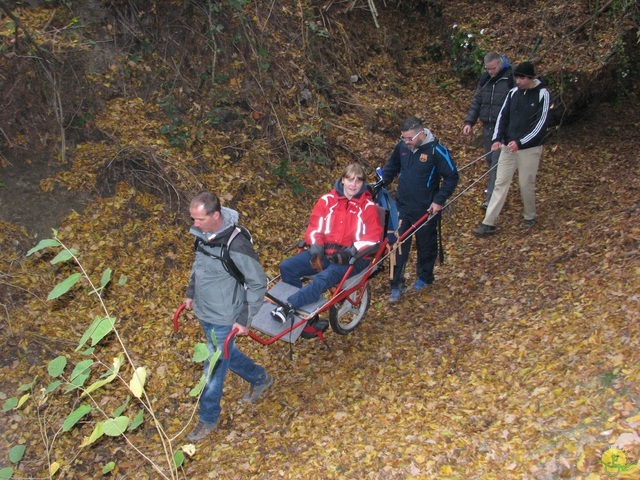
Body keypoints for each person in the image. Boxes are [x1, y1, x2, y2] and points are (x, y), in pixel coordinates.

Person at [183, 191, 273, 442]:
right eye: (193, 218)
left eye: (199, 219)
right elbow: (198, 267)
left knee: (212, 369)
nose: (194, 224)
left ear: (215, 215)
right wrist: (191, 293)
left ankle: (207, 418)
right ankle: (260, 378)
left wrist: (244, 319)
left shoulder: (236, 244)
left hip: (225, 316)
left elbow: (257, 283)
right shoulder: (201, 236)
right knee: (225, 354)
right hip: (205, 311)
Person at [271, 164, 383, 324]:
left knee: (323, 278)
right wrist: (316, 248)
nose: (353, 185)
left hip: (354, 258)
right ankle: (305, 316)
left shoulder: (368, 207)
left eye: (358, 181)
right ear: (343, 180)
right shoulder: (327, 201)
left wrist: (350, 253)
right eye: (350, 179)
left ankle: (290, 306)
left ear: (363, 184)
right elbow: (315, 228)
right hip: (327, 252)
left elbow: (373, 238)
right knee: (287, 266)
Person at [381, 116, 459, 303]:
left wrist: (439, 200)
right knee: (397, 246)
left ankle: (424, 278)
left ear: (421, 134)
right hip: (402, 206)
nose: (406, 142)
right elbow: (391, 167)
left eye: (409, 138)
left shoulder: (436, 151)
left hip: (426, 209)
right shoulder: (402, 148)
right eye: (403, 138)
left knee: (426, 245)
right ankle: (396, 284)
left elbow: (452, 177)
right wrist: (381, 182)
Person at [472, 61, 552, 235]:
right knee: (500, 183)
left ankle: (529, 215)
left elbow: (541, 124)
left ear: (530, 78)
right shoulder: (512, 94)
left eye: (522, 77)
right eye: (517, 77)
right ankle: (488, 222)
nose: (518, 81)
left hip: (529, 149)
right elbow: (502, 117)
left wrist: (521, 142)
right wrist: (497, 139)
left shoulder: (542, 94)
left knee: (525, 183)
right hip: (508, 147)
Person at [463, 52, 514, 210]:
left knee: (496, 164)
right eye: (487, 69)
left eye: (492, 68)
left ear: (500, 64)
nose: (490, 72)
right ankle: (498, 193)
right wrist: (469, 122)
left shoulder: (510, 79)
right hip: (487, 127)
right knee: (491, 161)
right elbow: (477, 101)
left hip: (503, 130)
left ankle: (491, 199)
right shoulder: (485, 80)